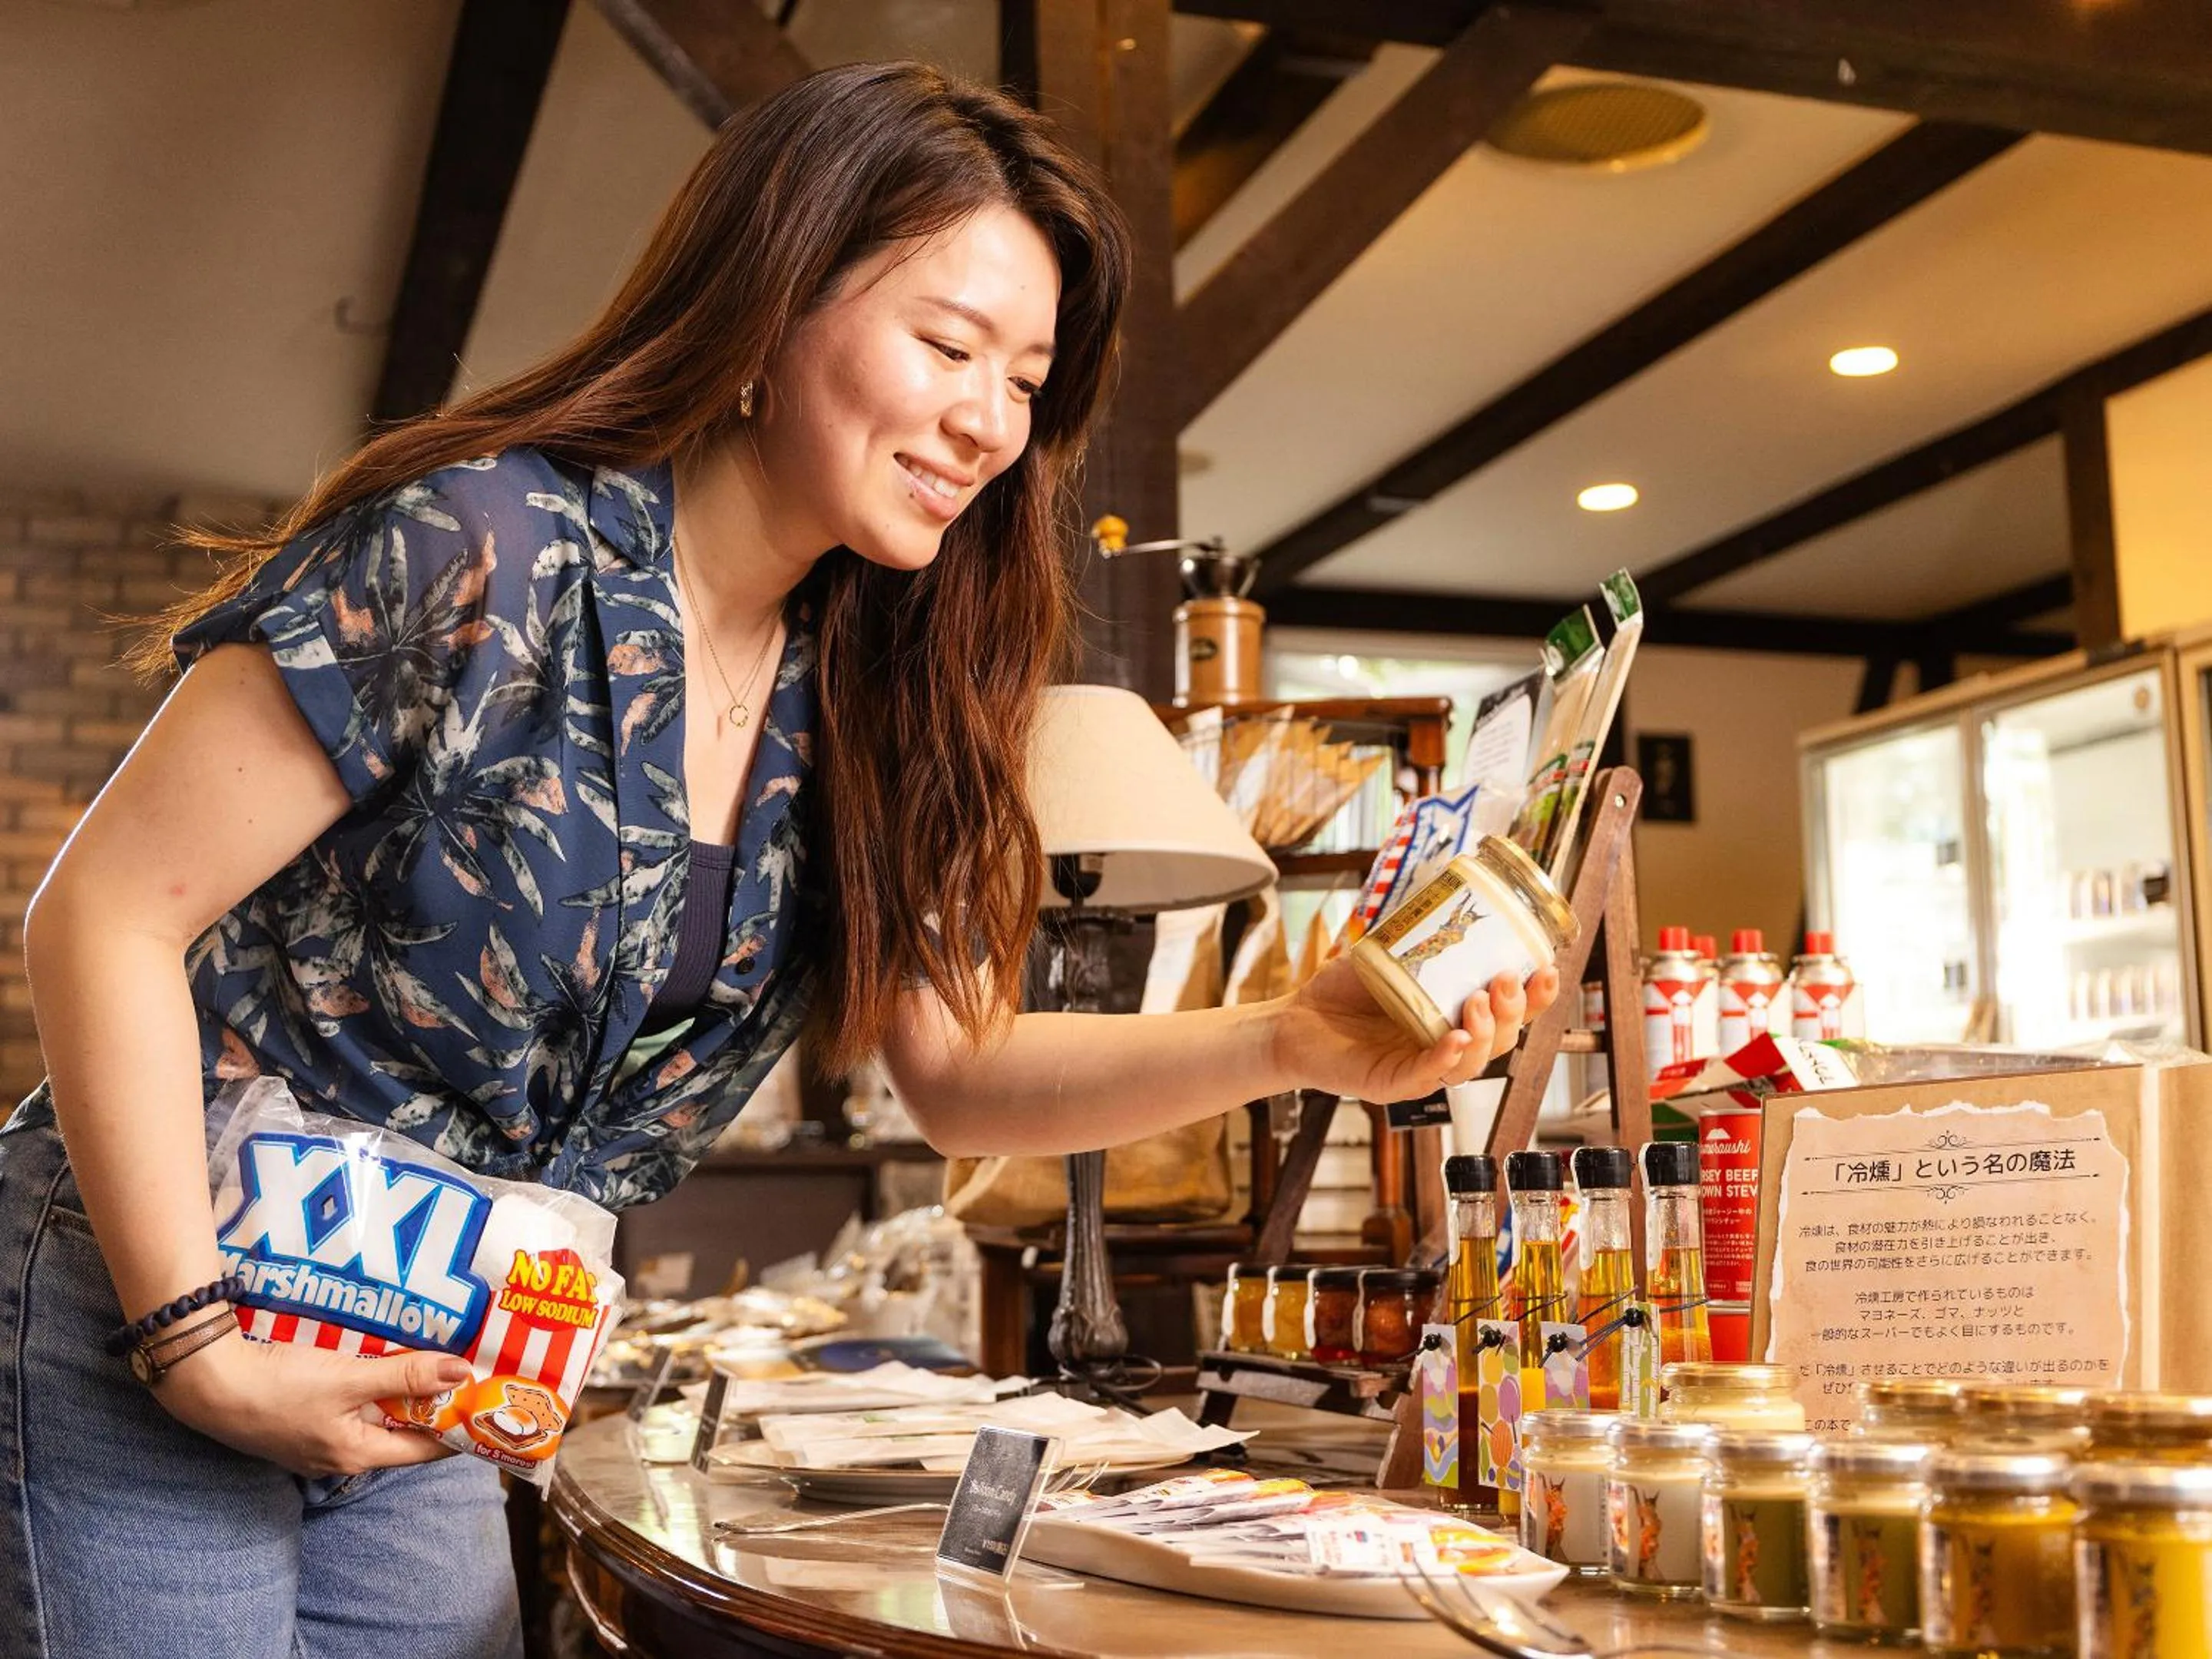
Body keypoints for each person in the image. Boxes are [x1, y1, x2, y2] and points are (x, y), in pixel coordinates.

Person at [0, 62, 1555, 1657]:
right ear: (772, 302)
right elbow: (106, 912)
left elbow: (955, 1074)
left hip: (427, 1357)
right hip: (150, 1311)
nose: (985, 423)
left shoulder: (886, 697)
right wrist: (195, 1346)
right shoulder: (480, 543)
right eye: (946, 346)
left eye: (1025, 381)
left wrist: (1291, 1042)